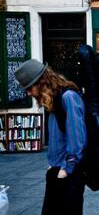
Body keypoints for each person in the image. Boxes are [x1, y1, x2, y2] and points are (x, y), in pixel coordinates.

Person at [14, 59, 87, 214]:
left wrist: (66, 169)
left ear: (42, 82)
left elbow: (77, 137)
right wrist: (52, 165)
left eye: (29, 87)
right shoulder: (53, 100)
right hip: (57, 168)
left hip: (68, 172)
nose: (28, 93)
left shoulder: (68, 96)